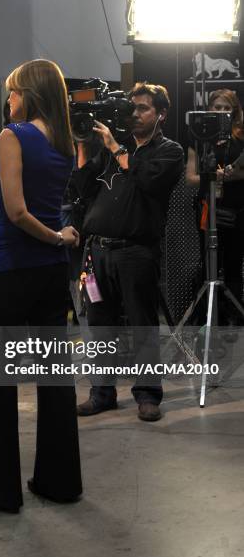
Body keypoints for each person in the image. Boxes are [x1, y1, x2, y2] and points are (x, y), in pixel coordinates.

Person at [0, 59, 82, 513]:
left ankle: (1, 492)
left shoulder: (13, 135)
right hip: (49, 274)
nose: (7, 101)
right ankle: (59, 481)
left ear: (28, 93)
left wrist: (57, 235)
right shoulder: (65, 143)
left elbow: (21, 214)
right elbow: (20, 203)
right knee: (54, 381)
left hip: (13, 271)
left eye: (12, 93)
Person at [74, 82, 184, 422]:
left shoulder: (169, 151)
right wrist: (84, 144)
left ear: (161, 114)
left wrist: (116, 146)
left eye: (144, 109)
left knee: (142, 326)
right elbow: (79, 187)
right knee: (99, 328)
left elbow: (149, 182)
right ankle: (101, 393)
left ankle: (148, 395)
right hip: (98, 252)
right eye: (131, 108)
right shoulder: (109, 150)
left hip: (136, 251)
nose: (135, 114)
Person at [185, 89, 244, 325]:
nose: (220, 112)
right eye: (216, 107)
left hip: (238, 211)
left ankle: (235, 317)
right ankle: (210, 319)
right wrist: (215, 176)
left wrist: (227, 176)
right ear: (208, 109)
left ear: (234, 111)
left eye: (225, 108)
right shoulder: (198, 137)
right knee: (209, 264)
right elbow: (191, 177)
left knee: (233, 264)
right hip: (208, 212)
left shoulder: (241, 136)